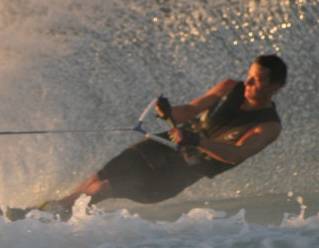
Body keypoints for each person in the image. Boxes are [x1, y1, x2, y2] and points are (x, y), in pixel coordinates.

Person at [35, 54, 287, 216]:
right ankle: (41, 215)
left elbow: (236, 154)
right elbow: (188, 112)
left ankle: (45, 218)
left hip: (177, 173)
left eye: (257, 80)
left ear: (274, 86)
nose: (248, 83)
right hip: (162, 145)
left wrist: (197, 141)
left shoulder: (268, 126)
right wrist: (167, 111)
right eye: (249, 75)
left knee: (105, 187)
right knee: (95, 180)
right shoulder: (230, 87)